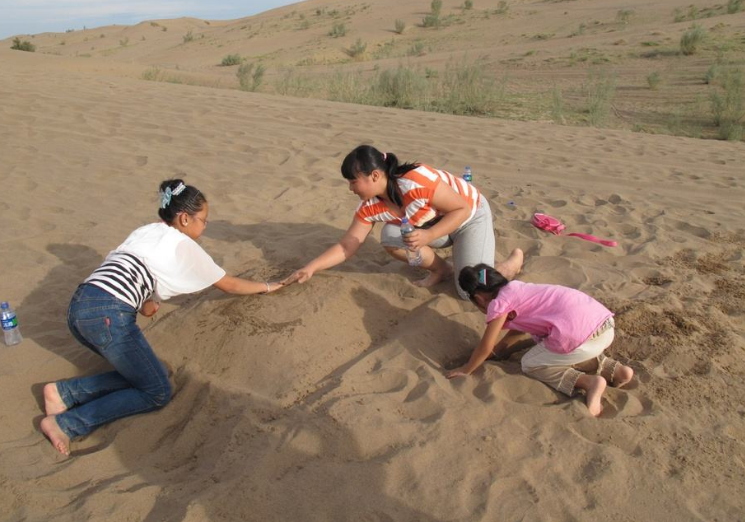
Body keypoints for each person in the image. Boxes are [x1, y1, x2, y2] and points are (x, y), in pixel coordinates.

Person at [40, 179, 283, 456]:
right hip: (109, 315)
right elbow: (229, 284)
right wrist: (267, 287)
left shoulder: (146, 231)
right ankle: (67, 423)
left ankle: (63, 394)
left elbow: (142, 298)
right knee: (156, 392)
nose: (204, 227)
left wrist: (149, 302)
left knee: (155, 373)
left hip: (80, 308)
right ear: (184, 218)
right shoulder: (183, 244)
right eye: (203, 220)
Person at [283, 144, 523, 298]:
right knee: (390, 236)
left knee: (470, 290)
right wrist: (311, 267)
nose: (350, 188)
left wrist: (428, 236)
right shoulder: (370, 206)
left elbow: (460, 208)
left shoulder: (416, 180)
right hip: (434, 224)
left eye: (353, 181)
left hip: (469, 217)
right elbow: (347, 245)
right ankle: (442, 269)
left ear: (375, 175)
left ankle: (510, 264)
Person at [447, 264, 634, 416]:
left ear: (479, 299)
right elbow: (519, 331)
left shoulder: (498, 304)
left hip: (579, 338)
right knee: (557, 345)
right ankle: (615, 370)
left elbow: (485, 346)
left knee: (530, 363)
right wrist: (501, 350)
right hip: (604, 325)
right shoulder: (518, 288)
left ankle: (589, 382)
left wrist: (466, 369)